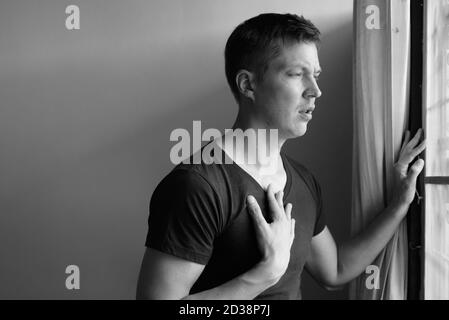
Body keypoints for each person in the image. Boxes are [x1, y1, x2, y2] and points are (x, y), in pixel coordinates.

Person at [136, 13, 426, 300]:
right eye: (297, 74)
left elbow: (335, 271)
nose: (315, 90)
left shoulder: (302, 180)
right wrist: (263, 275)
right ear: (248, 85)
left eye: (316, 75)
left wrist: (399, 205)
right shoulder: (197, 186)